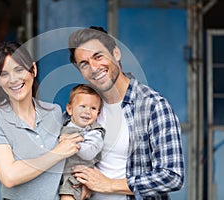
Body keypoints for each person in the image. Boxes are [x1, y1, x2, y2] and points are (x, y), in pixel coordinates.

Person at [67, 26, 184, 199]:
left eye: (98, 56)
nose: (93, 67)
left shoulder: (153, 106)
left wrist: (110, 185)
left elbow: (171, 176)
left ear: (116, 53)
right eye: (84, 64)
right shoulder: (84, 106)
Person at [0, 41, 85, 200]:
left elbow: (80, 149)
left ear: (33, 70)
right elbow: (9, 176)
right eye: (4, 74)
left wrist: (80, 187)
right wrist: (58, 152)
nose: (13, 79)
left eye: (19, 70)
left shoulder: (54, 112)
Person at [59, 84, 105, 200]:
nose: (87, 111)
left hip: (77, 176)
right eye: (82, 106)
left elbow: (89, 153)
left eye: (93, 108)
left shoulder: (94, 132)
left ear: (98, 114)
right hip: (59, 174)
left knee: (67, 196)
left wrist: (72, 143)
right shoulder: (62, 125)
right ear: (69, 109)